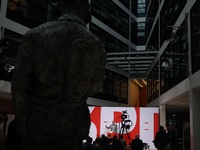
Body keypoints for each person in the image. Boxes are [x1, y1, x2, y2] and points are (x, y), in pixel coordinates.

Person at [11, 0, 106, 150]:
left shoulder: (34, 36)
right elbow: (94, 87)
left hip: (37, 127)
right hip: (72, 129)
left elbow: (18, 88)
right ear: (86, 12)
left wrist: (23, 126)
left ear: (58, 8)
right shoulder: (94, 43)